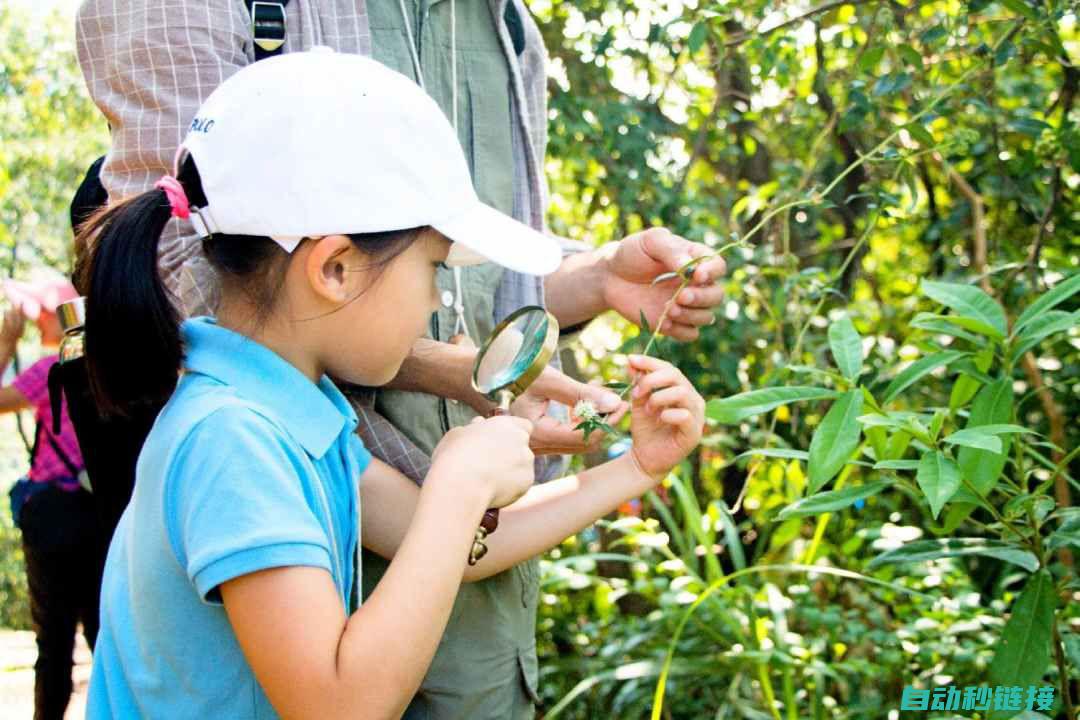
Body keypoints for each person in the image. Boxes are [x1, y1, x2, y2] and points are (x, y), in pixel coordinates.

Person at [75, 2, 726, 715]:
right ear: (335, 269)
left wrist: (634, 466)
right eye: (434, 269)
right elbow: (337, 706)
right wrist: (457, 482)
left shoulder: (291, 415)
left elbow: (466, 547)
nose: (436, 305)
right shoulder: (231, 439)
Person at [0, 271, 104, 720]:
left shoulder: (52, 370)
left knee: (54, 642)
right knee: (106, 632)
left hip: (54, 518)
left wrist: (6, 343)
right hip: (102, 515)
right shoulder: (110, 366)